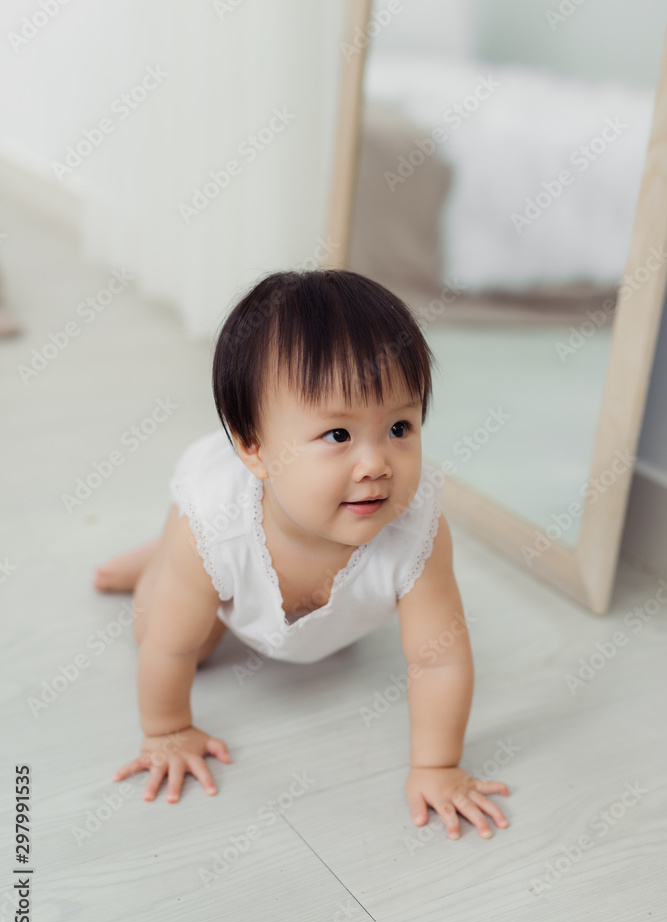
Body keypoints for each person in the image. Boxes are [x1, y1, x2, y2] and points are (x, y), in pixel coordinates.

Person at [94, 268, 510, 840]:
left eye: (399, 426)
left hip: (248, 562)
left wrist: (436, 765)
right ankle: (160, 558)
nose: (376, 464)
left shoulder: (417, 529)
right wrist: (167, 730)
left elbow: (438, 659)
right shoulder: (215, 526)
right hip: (214, 543)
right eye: (338, 435)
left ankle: (166, 562)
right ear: (254, 449)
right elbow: (170, 648)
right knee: (164, 628)